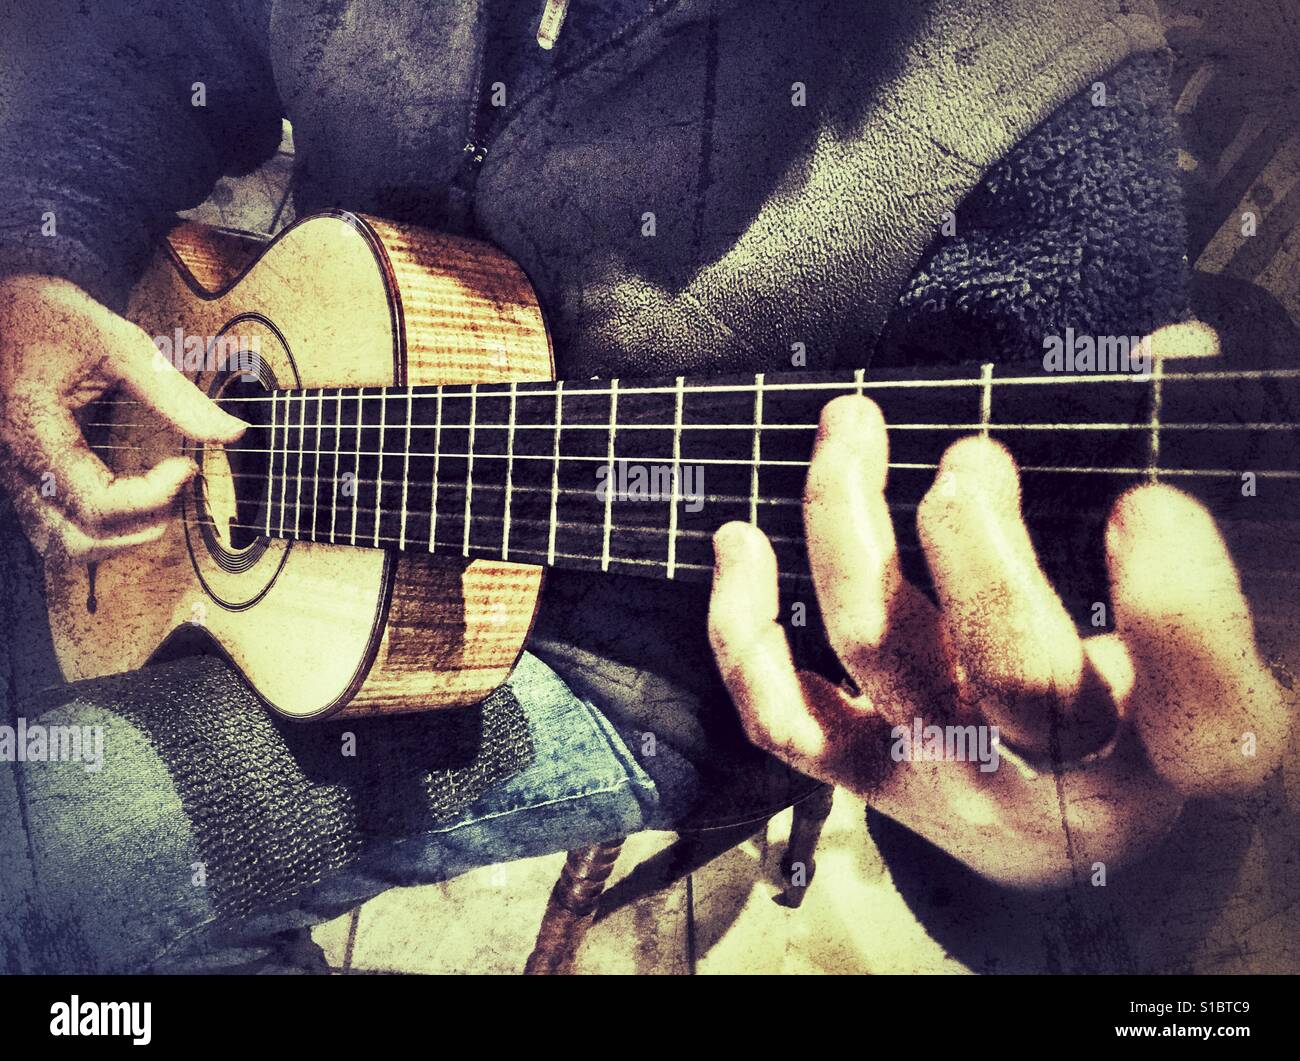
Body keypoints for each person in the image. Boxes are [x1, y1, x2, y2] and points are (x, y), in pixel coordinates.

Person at [0, 0, 1292, 973]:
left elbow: (1054, 758)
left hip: (620, 659)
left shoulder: (1057, 99)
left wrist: (1083, 845)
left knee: (37, 864)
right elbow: (166, 38)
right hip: (270, 394)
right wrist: (45, 247)